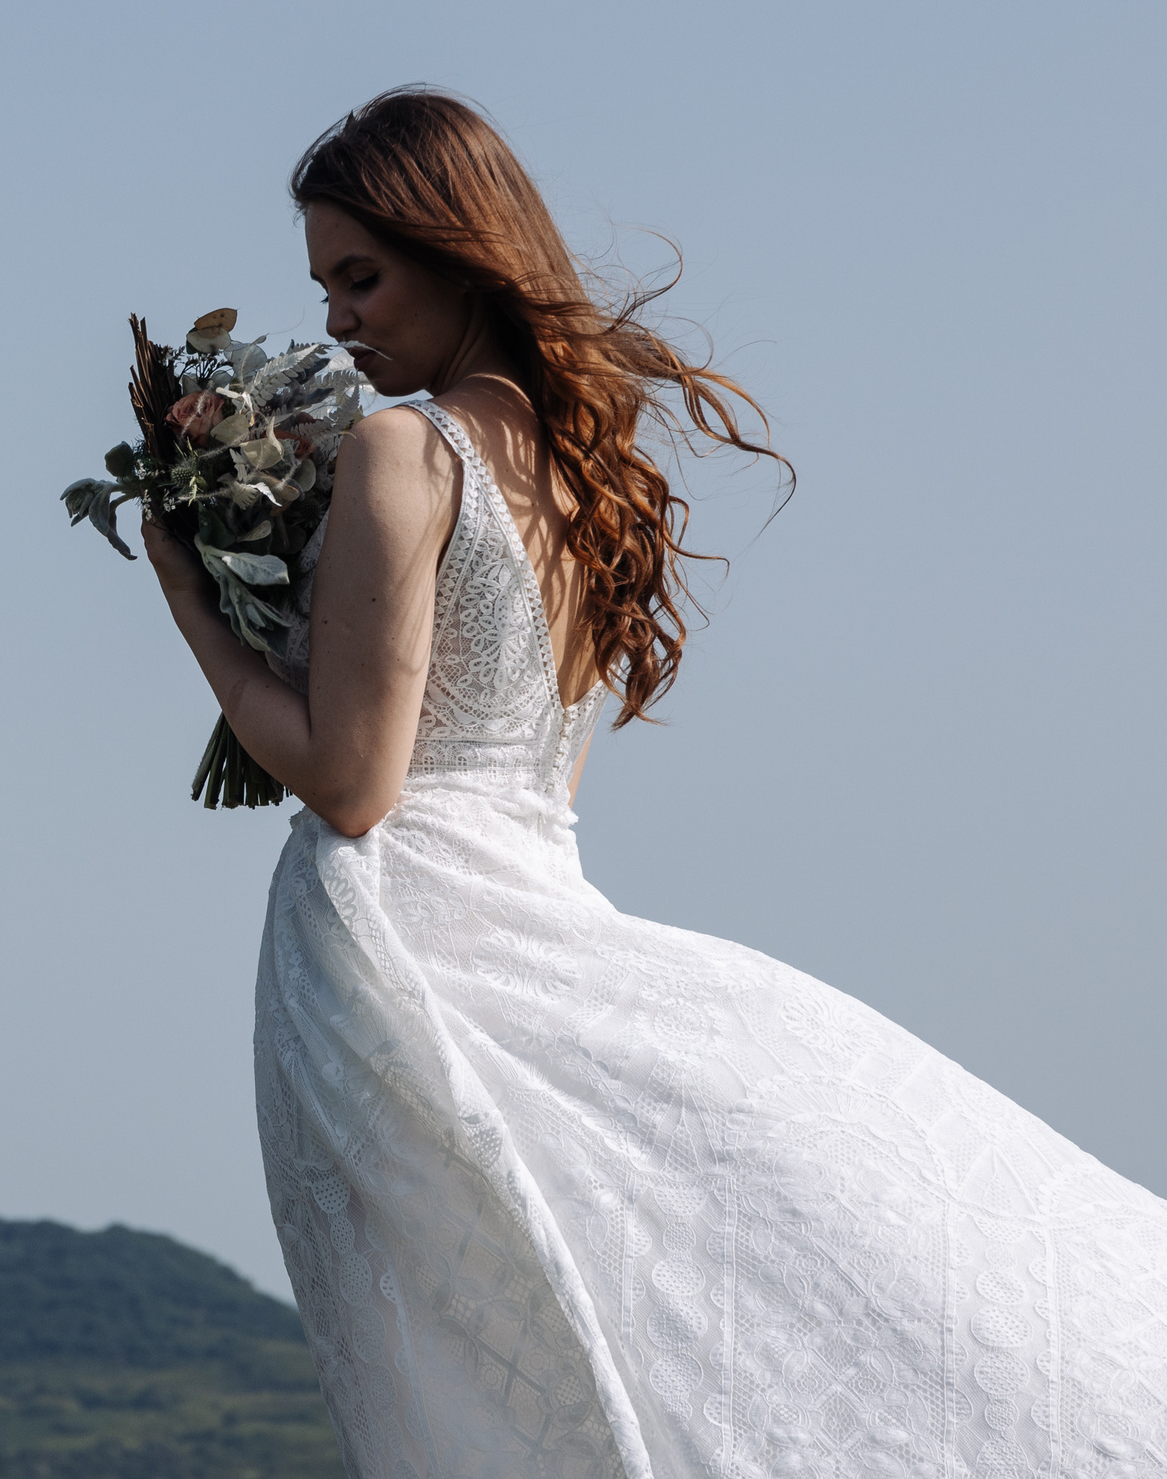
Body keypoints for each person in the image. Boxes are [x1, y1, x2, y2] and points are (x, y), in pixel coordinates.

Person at [140, 88, 1167, 1478]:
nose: (335, 323)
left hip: (414, 952)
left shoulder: (406, 450)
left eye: (361, 279)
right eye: (324, 287)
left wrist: (188, 588)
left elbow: (353, 780)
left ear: (459, 253)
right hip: (533, 906)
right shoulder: (581, 471)